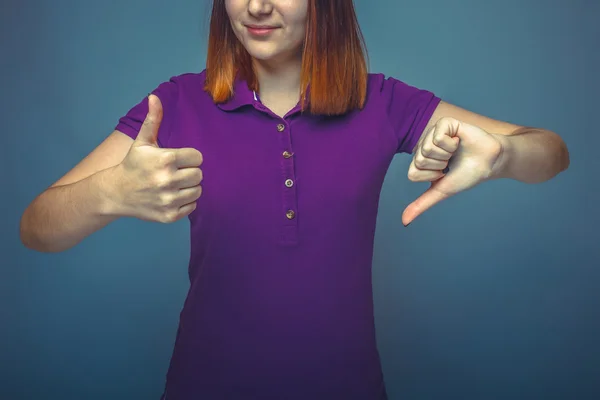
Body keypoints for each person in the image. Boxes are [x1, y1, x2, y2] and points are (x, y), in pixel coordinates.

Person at [20, 0, 570, 399]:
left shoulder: (380, 100)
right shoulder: (176, 103)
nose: (257, 6)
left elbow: (549, 150)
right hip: (204, 385)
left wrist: (500, 156)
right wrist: (108, 192)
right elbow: (37, 227)